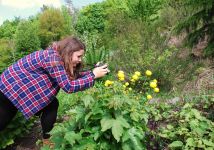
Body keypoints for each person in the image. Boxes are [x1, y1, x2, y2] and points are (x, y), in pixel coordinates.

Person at [0, 36, 109, 141]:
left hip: (17, 88)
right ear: (69, 53)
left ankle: (48, 139)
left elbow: (71, 77)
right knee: (2, 121)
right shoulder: (52, 58)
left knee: (51, 105)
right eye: (78, 56)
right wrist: (93, 75)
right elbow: (69, 86)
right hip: (9, 89)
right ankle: (48, 139)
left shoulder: (58, 57)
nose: (80, 60)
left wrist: (92, 72)